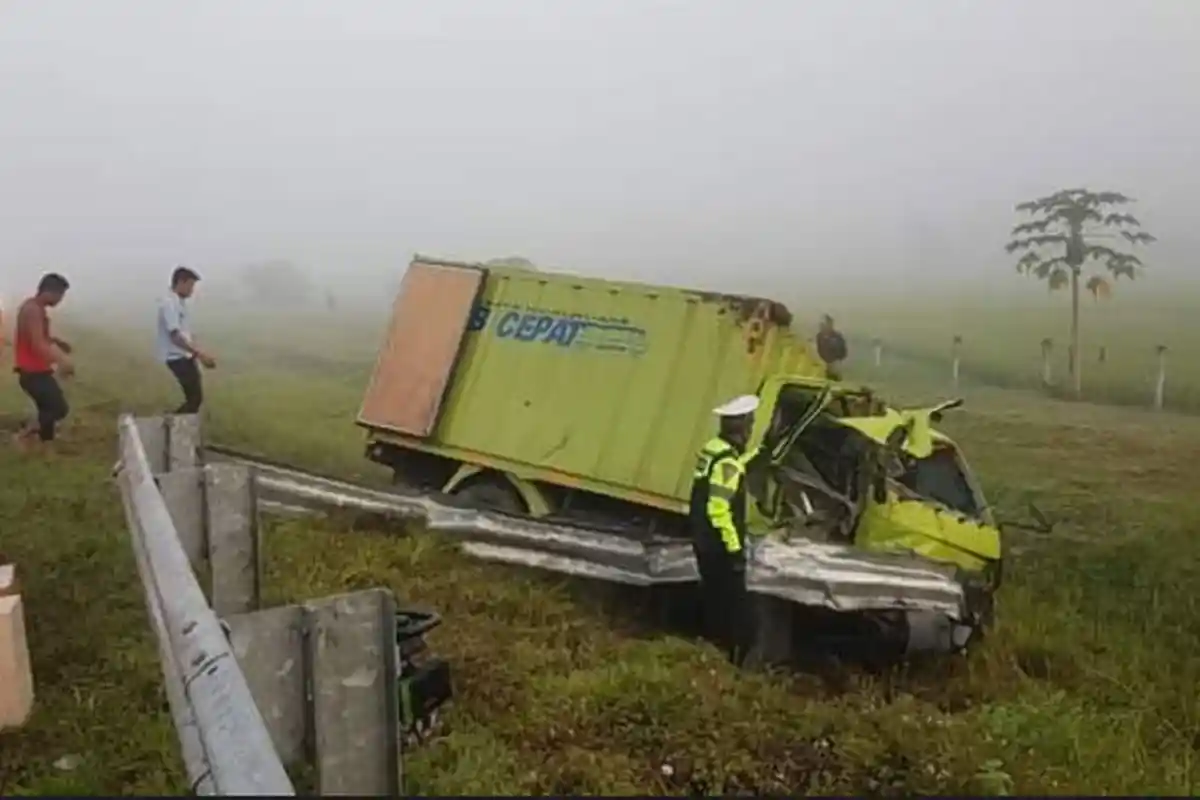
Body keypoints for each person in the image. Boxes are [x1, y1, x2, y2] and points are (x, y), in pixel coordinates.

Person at [689, 393, 764, 666]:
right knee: (732, 607)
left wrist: (759, 454)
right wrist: (734, 549)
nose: (750, 430)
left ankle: (709, 652)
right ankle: (731, 659)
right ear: (741, 427)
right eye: (750, 424)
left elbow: (724, 472)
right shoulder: (728, 463)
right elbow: (718, 509)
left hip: (702, 539)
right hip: (717, 545)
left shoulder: (714, 448)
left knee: (712, 598)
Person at [12, 273, 73, 450]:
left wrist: (56, 342)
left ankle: (46, 445)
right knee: (58, 408)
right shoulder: (32, 309)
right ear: (50, 292)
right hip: (32, 371)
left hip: (36, 370)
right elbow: (37, 344)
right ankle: (23, 437)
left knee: (48, 409)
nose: (60, 300)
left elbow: (39, 338)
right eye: (60, 295)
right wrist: (63, 361)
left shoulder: (36, 308)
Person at [157, 266, 216, 415]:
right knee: (194, 399)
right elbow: (175, 336)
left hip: (184, 356)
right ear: (180, 283)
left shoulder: (179, 303)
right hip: (176, 357)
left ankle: (175, 425)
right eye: (190, 285)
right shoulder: (169, 304)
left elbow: (185, 333)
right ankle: (171, 425)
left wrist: (196, 351)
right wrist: (200, 355)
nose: (192, 290)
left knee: (195, 399)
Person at [816, 314, 848, 380]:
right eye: (821, 324)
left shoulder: (837, 337)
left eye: (824, 324)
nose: (822, 326)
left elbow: (843, 352)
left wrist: (835, 361)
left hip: (834, 365)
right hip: (821, 367)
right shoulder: (819, 337)